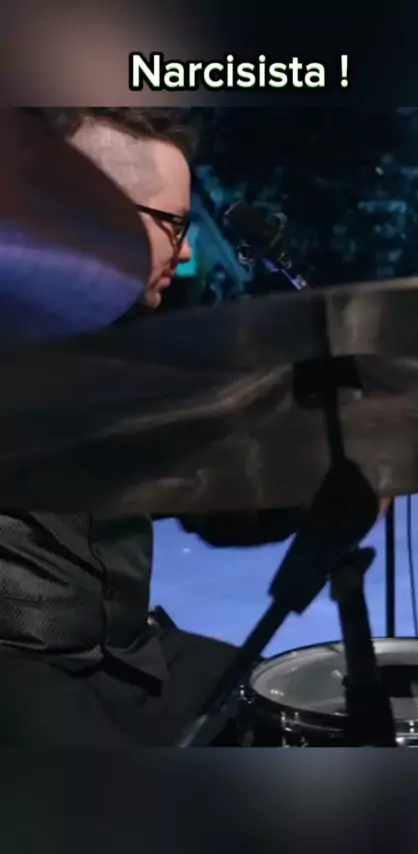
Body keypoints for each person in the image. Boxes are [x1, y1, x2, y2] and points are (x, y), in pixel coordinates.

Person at [0, 108, 303, 747]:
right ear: (92, 212)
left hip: (127, 651)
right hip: (20, 662)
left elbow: (207, 499)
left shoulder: (124, 347)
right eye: (173, 224)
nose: (186, 249)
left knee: (297, 710)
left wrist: (334, 475)